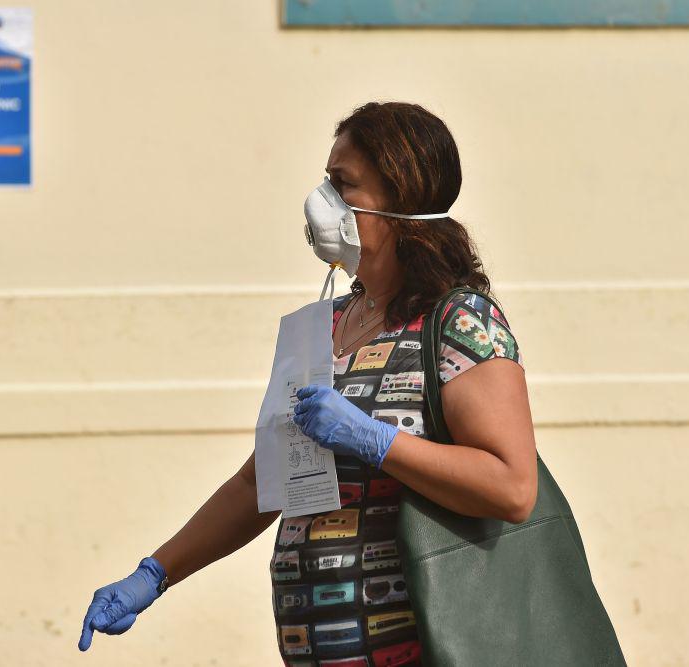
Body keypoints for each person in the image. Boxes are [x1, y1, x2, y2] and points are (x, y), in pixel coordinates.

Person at [78, 101, 537, 666]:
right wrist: (155, 573)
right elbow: (260, 483)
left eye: (343, 184)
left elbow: (511, 487)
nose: (323, 201)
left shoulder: (460, 321)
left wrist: (375, 439)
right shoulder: (322, 327)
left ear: (400, 197)